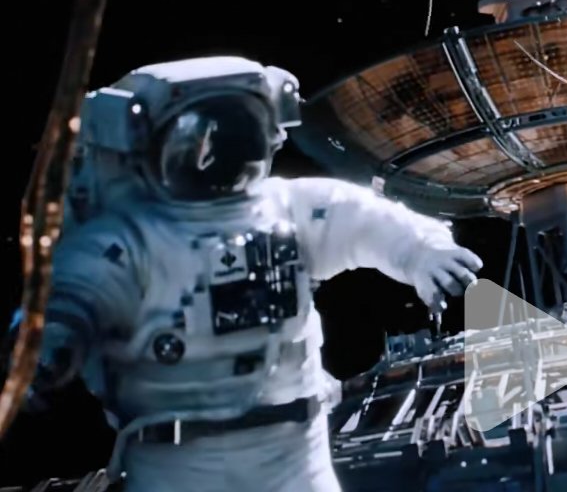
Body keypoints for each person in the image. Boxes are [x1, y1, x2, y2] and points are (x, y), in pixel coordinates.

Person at [6, 57, 482, 492]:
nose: (217, 153)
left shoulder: (286, 210)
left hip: (292, 452)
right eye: (198, 136)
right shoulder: (128, 240)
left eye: (237, 130)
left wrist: (423, 253)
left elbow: (368, 220)